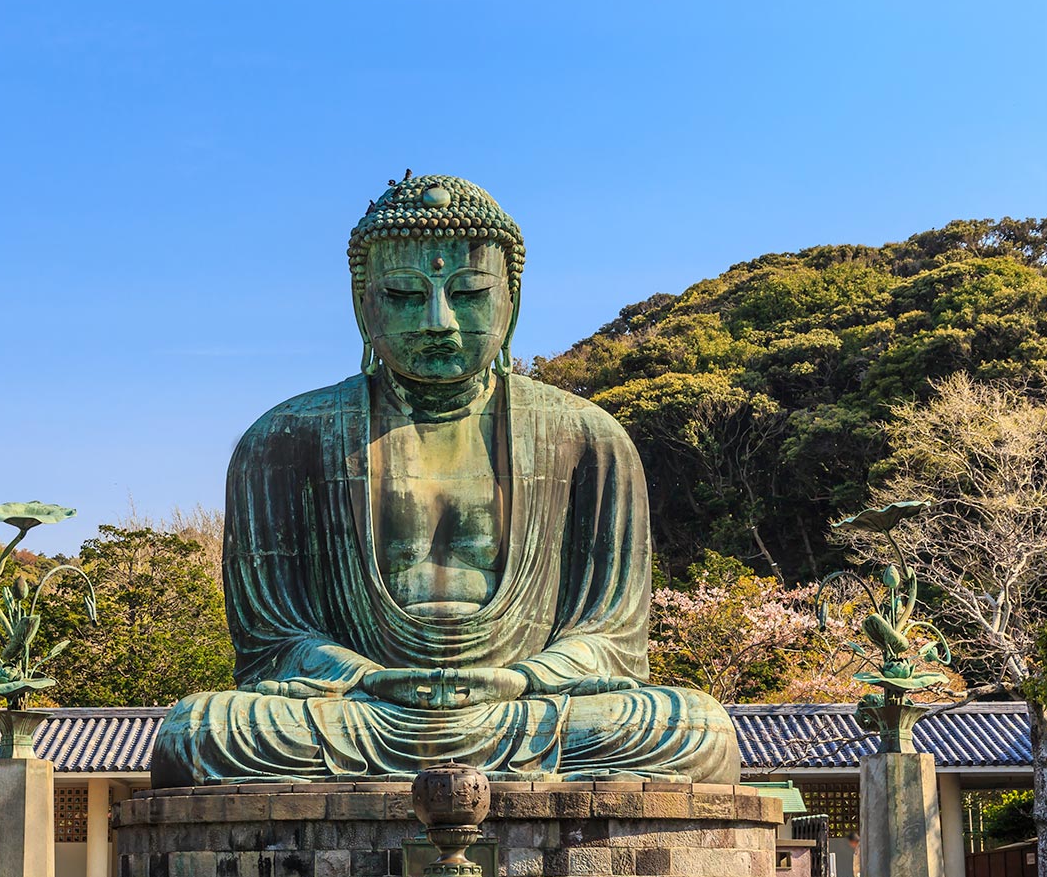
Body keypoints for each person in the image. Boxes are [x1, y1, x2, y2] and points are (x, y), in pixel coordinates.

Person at [150, 174, 737, 787]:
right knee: (199, 731)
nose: (438, 320)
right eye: (403, 294)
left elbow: (610, 640)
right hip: (361, 710)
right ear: (361, 302)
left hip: (526, 709)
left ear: (512, 299)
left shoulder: (589, 439)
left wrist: (527, 678)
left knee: (696, 730)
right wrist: (362, 677)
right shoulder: (284, 440)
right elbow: (275, 642)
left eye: (469, 293)